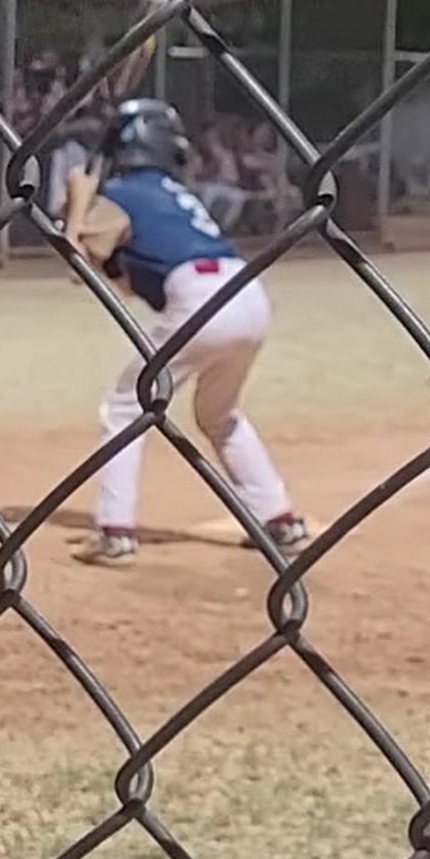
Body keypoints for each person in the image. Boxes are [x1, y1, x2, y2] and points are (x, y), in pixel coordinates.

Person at [63, 98, 310, 569]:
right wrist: (80, 211)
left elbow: (75, 265)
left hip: (201, 299)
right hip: (248, 295)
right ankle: (279, 520)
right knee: (219, 415)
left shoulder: (122, 193)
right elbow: (122, 275)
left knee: (125, 406)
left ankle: (115, 532)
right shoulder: (169, 193)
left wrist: (77, 201)